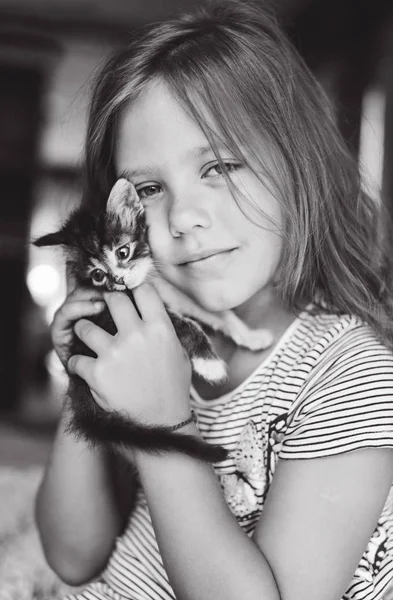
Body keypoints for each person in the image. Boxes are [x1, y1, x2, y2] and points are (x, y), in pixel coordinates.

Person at [35, 2, 393, 599]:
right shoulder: (151, 337)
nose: (184, 217)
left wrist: (164, 426)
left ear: (297, 164)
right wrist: (85, 378)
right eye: (149, 188)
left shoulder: (351, 374)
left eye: (221, 165)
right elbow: (73, 555)